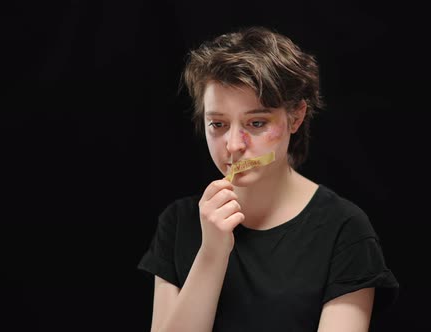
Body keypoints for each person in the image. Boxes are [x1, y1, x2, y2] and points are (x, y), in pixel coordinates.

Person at [138, 26, 399, 332]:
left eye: (257, 122)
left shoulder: (345, 230)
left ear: (296, 117)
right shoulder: (178, 223)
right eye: (218, 124)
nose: (234, 145)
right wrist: (212, 252)